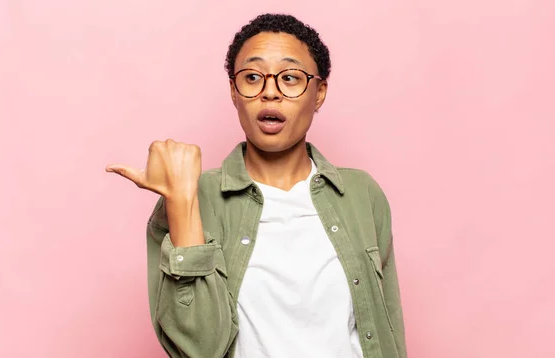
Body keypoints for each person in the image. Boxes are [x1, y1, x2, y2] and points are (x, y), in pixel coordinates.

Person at [106, 13, 407, 358]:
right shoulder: (190, 197)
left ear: (319, 92)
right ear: (234, 92)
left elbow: (390, 330)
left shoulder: (361, 194)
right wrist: (182, 202)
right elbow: (199, 348)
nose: (269, 93)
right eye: (252, 77)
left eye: (290, 78)